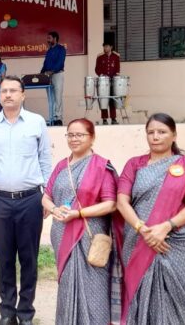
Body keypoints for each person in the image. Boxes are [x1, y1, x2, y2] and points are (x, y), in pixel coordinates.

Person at [114, 113, 185, 324]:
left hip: (180, 242)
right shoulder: (134, 165)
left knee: (180, 301)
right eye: (151, 132)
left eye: (162, 132)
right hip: (139, 239)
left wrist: (166, 227)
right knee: (139, 299)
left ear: (174, 135)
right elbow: (122, 202)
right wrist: (143, 230)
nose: (155, 137)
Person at [0, 76, 52, 325]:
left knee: (29, 257)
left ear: (23, 95)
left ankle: (26, 313)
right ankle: (7, 313)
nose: (8, 95)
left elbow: (45, 161)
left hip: (30, 200)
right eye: (4, 91)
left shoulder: (36, 122)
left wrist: (47, 197)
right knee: (4, 258)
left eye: (13, 90)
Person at [42, 118, 118, 324]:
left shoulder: (102, 166)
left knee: (94, 286)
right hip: (62, 233)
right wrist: (54, 209)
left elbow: (111, 204)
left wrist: (79, 213)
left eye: (80, 135)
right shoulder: (61, 165)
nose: (74, 139)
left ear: (92, 137)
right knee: (67, 284)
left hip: (89, 235)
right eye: (70, 135)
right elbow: (46, 197)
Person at [41, 31, 67, 126]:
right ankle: (52, 118)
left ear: (55, 39)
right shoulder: (49, 50)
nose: (47, 40)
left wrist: (52, 71)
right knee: (50, 97)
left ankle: (58, 118)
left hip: (57, 74)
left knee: (58, 97)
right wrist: (41, 74)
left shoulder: (61, 49)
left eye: (49, 38)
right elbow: (45, 64)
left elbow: (60, 63)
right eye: (47, 38)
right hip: (47, 76)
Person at [95, 42, 121, 125]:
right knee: (104, 99)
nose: (105, 48)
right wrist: (101, 75)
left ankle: (113, 119)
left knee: (112, 99)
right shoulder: (100, 57)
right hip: (103, 82)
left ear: (111, 47)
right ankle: (104, 119)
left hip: (113, 81)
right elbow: (97, 69)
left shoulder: (116, 57)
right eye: (104, 47)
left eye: (106, 46)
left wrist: (116, 75)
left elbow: (117, 68)